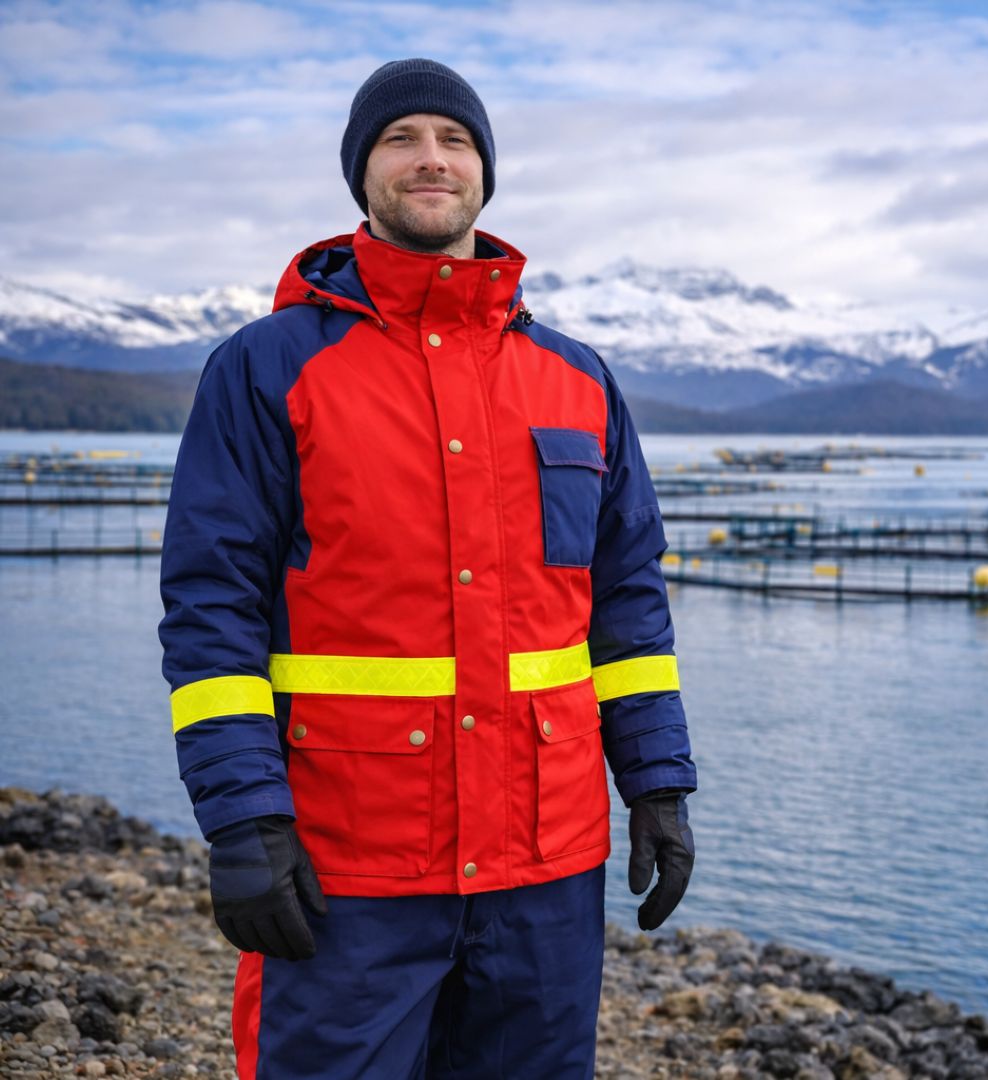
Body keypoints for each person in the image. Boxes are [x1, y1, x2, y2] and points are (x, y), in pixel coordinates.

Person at [157, 58, 697, 1078]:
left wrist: (659, 787)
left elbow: (627, 609)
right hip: (347, 860)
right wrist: (242, 818)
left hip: (547, 865)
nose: (431, 159)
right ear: (362, 176)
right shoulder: (267, 367)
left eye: (454, 140)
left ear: (486, 173)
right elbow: (211, 612)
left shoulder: (576, 380)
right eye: (400, 139)